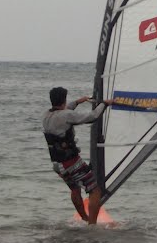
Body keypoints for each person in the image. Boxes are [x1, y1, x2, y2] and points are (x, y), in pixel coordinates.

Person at [42, 86, 114, 225]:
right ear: (64, 100)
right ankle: (92, 225)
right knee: (94, 190)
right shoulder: (66, 116)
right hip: (71, 163)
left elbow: (64, 111)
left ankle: (84, 218)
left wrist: (77, 102)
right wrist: (104, 104)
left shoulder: (45, 115)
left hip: (58, 165)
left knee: (75, 189)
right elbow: (92, 117)